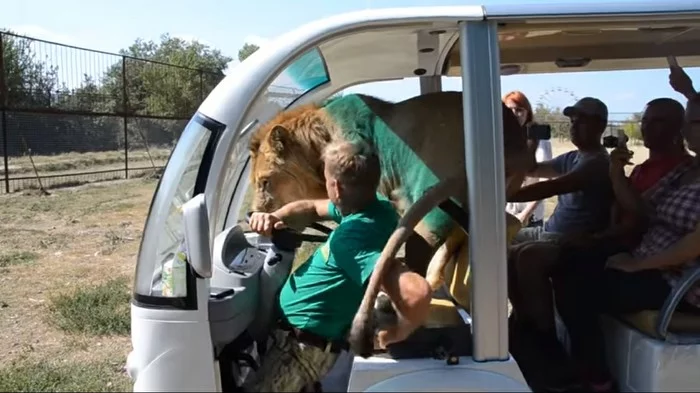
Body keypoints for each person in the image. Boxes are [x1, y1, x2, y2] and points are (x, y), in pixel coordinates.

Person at [506, 97, 693, 392]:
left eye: (657, 121)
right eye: (645, 120)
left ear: (678, 129)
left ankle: (567, 362)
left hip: (664, 271)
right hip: (636, 253)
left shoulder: (680, 172)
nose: (646, 127)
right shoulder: (641, 169)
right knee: (525, 258)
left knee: (555, 271)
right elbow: (631, 213)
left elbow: (642, 218)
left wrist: (618, 248)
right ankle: (533, 335)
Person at [245, 138, 432, 392]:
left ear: (335, 187)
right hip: (296, 339)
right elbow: (311, 206)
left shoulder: (351, 242)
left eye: (326, 179)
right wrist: (273, 217)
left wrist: (395, 335)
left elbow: (417, 292)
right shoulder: (374, 207)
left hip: (301, 350)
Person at [507, 97, 614, 244]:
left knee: (505, 250)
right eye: (573, 121)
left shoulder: (598, 163)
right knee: (498, 233)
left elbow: (552, 187)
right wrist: (533, 143)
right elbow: (533, 170)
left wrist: (503, 196)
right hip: (547, 231)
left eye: (581, 121)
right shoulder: (572, 157)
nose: (574, 126)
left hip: (566, 241)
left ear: (600, 125)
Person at [503, 90, 554, 228]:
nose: (514, 114)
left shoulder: (541, 143)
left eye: (519, 110)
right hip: (504, 214)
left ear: (528, 113)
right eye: (509, 110)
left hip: (530, 217)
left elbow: (545, 181)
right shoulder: (498, 142)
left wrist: (525, 214)